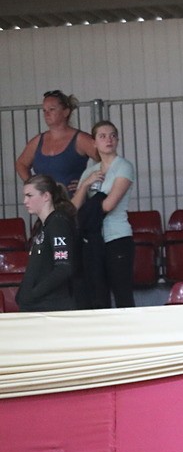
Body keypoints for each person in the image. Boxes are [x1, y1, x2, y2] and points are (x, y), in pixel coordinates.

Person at [71, 121, 136, 308]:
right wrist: (85, 184)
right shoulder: (90, 172)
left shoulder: (123, 166)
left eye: (113, 135)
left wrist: (88, 207)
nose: (109, 139)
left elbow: (109, 204)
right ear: (94, 142)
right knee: (98, 294)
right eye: (103, 136)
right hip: (94, 242)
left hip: (117, 236)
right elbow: (73, 208)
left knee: (122, 292)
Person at [14, 90, 98, 194]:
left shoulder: (80, 139)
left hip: (73, 205)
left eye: (51, 109)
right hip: (44, 206)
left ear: (65, 112)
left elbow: (109, 161)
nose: (47, 114)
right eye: (44, 110)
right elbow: (21, 164)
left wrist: (88, 183)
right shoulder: (38, 141)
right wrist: (32, 185)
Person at [16, 175, 77, 313]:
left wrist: (33, 294)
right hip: (37, 307)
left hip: (50, 308)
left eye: (29, 195)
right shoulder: (43, 226)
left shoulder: (58, 222)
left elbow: (63, 268)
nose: (25, 201)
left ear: (46, 196)